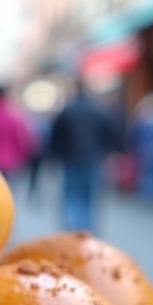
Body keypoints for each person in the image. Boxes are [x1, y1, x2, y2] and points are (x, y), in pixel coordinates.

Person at [48, 77, 118, 231]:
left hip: (71, 160)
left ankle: (74, 231)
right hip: (92, 159)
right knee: (89, 197)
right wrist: (105, 152)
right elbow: (110, 133)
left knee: (71, 196)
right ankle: (87, 231)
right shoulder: (98, 110)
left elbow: (56, 136)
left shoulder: (67, 110)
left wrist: (55, 155)